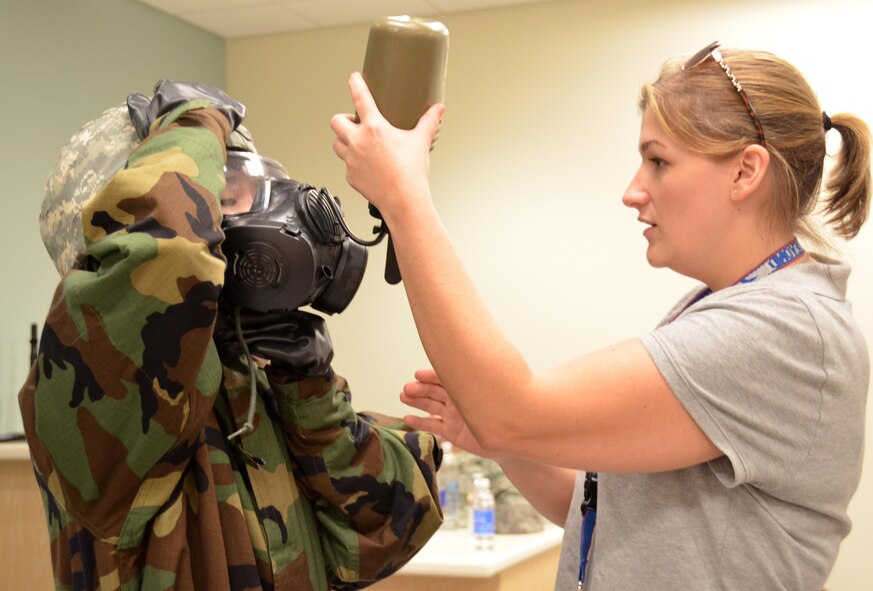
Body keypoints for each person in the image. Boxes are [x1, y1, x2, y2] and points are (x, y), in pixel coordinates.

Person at [330, 41, 871, 590]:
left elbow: (511, 406)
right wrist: (507, 445)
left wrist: (404, 196)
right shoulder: (721, 308)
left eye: (658, 161)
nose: (633, 191)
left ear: (745, 172)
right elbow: (592, 507)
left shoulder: (784, 331)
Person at [19, 81, 443, 591]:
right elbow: (170, 254)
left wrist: (312, 395)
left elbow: (389, 529)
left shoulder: (247, 374)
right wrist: (196, 120)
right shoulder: (89, 386)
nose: (238, 216)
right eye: (215, 196)